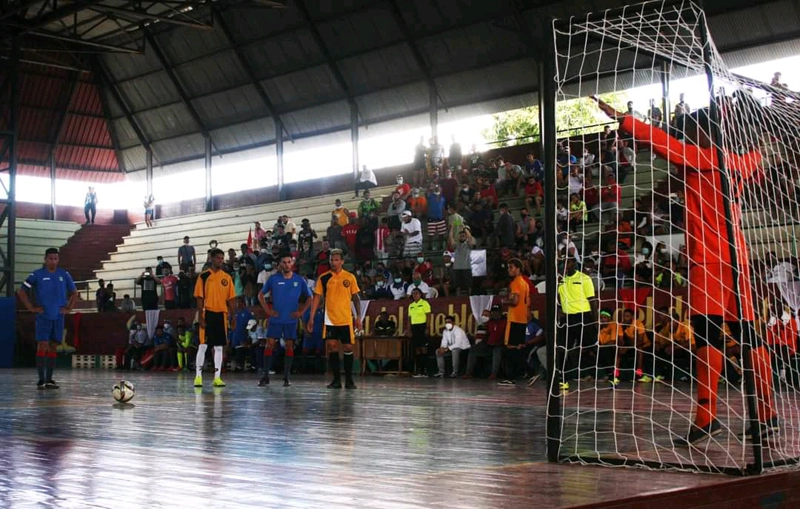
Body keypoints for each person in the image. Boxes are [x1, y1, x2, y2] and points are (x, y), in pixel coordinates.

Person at [595, 95, 777, 444]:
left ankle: (706, 417)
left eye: (693, 131)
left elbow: (660, 142)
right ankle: (766, 413)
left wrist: (622, 119)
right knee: (748, 334)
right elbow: (756, 159)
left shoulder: (699, 158)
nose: (688, 136)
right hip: (737, 258)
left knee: (707, 336)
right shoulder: (740, 162)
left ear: (706, 135)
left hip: (707, 260)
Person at [17, 248, 77, 389]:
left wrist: (69, 308)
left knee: (53, 346)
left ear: (58, 259)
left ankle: (49, 379)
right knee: (42, 344)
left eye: (56, 258)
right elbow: (21, 291)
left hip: (58, 316)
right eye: (50, 258)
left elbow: (74, 292)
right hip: (43, 316)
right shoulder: (37, 274)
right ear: (45, 259)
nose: (53, 261)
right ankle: (41, 379)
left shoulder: (64, 274)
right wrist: (31, 307)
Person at [306, 249, 362, 389]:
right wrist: (311, 317)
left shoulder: (349, 277)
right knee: (332, 347)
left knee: (348, 347)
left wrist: (358, 317)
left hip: (346, 319)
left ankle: (349, 380)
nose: (334, 262)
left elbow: (356, 298)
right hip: (330, 319)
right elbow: (317, 298)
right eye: (332, 260)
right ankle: (336, 379)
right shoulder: (323, 278)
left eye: (337, 260)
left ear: (342, 261)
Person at [258, 254, 312, 387]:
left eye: (289, 262)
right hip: (276, 318)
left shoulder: (299, 280)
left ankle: (287, 377)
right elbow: (260, 295)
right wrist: (268, 310)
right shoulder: (273, 279)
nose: (287, 265)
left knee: (289, 345)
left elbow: (310, 298)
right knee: (269, 344)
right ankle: (265, 375)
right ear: (280, 264)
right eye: (284, 262)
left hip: (290, 319)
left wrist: (301, 312)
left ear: (292, 264)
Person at [193, 248, 236, 388]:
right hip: (208, 313)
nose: (221, 260)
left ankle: (217, 378)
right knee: (203, 345)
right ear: (211, 259)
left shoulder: (227, 278)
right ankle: (198, 377)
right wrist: (200, 315)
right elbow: (199, 297)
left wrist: (233, 316)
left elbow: (231, 299)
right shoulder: (203, 276)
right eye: (218, 258)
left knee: (219, 347)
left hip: (221, 314)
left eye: (222, 258)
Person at [556, 257, 596, 391]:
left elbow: (592, 300)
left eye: (568, 262)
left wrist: (595, 320)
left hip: (583, 316)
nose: (565, 265)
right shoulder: (560, 280)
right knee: (561, 348)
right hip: (567, 318)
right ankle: (562, 379)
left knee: (593, 347)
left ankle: (611, 374)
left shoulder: (584, 278)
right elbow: (557, 298)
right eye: (563, 262)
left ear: (574, 263)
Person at [498, 259, 530, 386]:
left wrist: (504, 301)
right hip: (522, 319)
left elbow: (515, 301)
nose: (509, 270)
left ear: (518, 268)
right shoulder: (525, 283)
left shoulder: (515, 283)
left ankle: (513, 376)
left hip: (515, 318)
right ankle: (526, 372)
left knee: (510, 349)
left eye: (511, 267)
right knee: (517, 348)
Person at [406, 287, 432, 378]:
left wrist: (427, 327)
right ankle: (419, 371)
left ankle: (425, 370)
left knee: (423, 348)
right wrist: (409, 330)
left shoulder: (424, 303)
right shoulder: (411, 305)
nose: (415, 295)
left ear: (420, 294)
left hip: (422, 326)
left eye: (417, 293)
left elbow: (428, 316)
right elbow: (409, 319)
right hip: (414, 327)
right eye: (413, 293)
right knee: (416, 349)